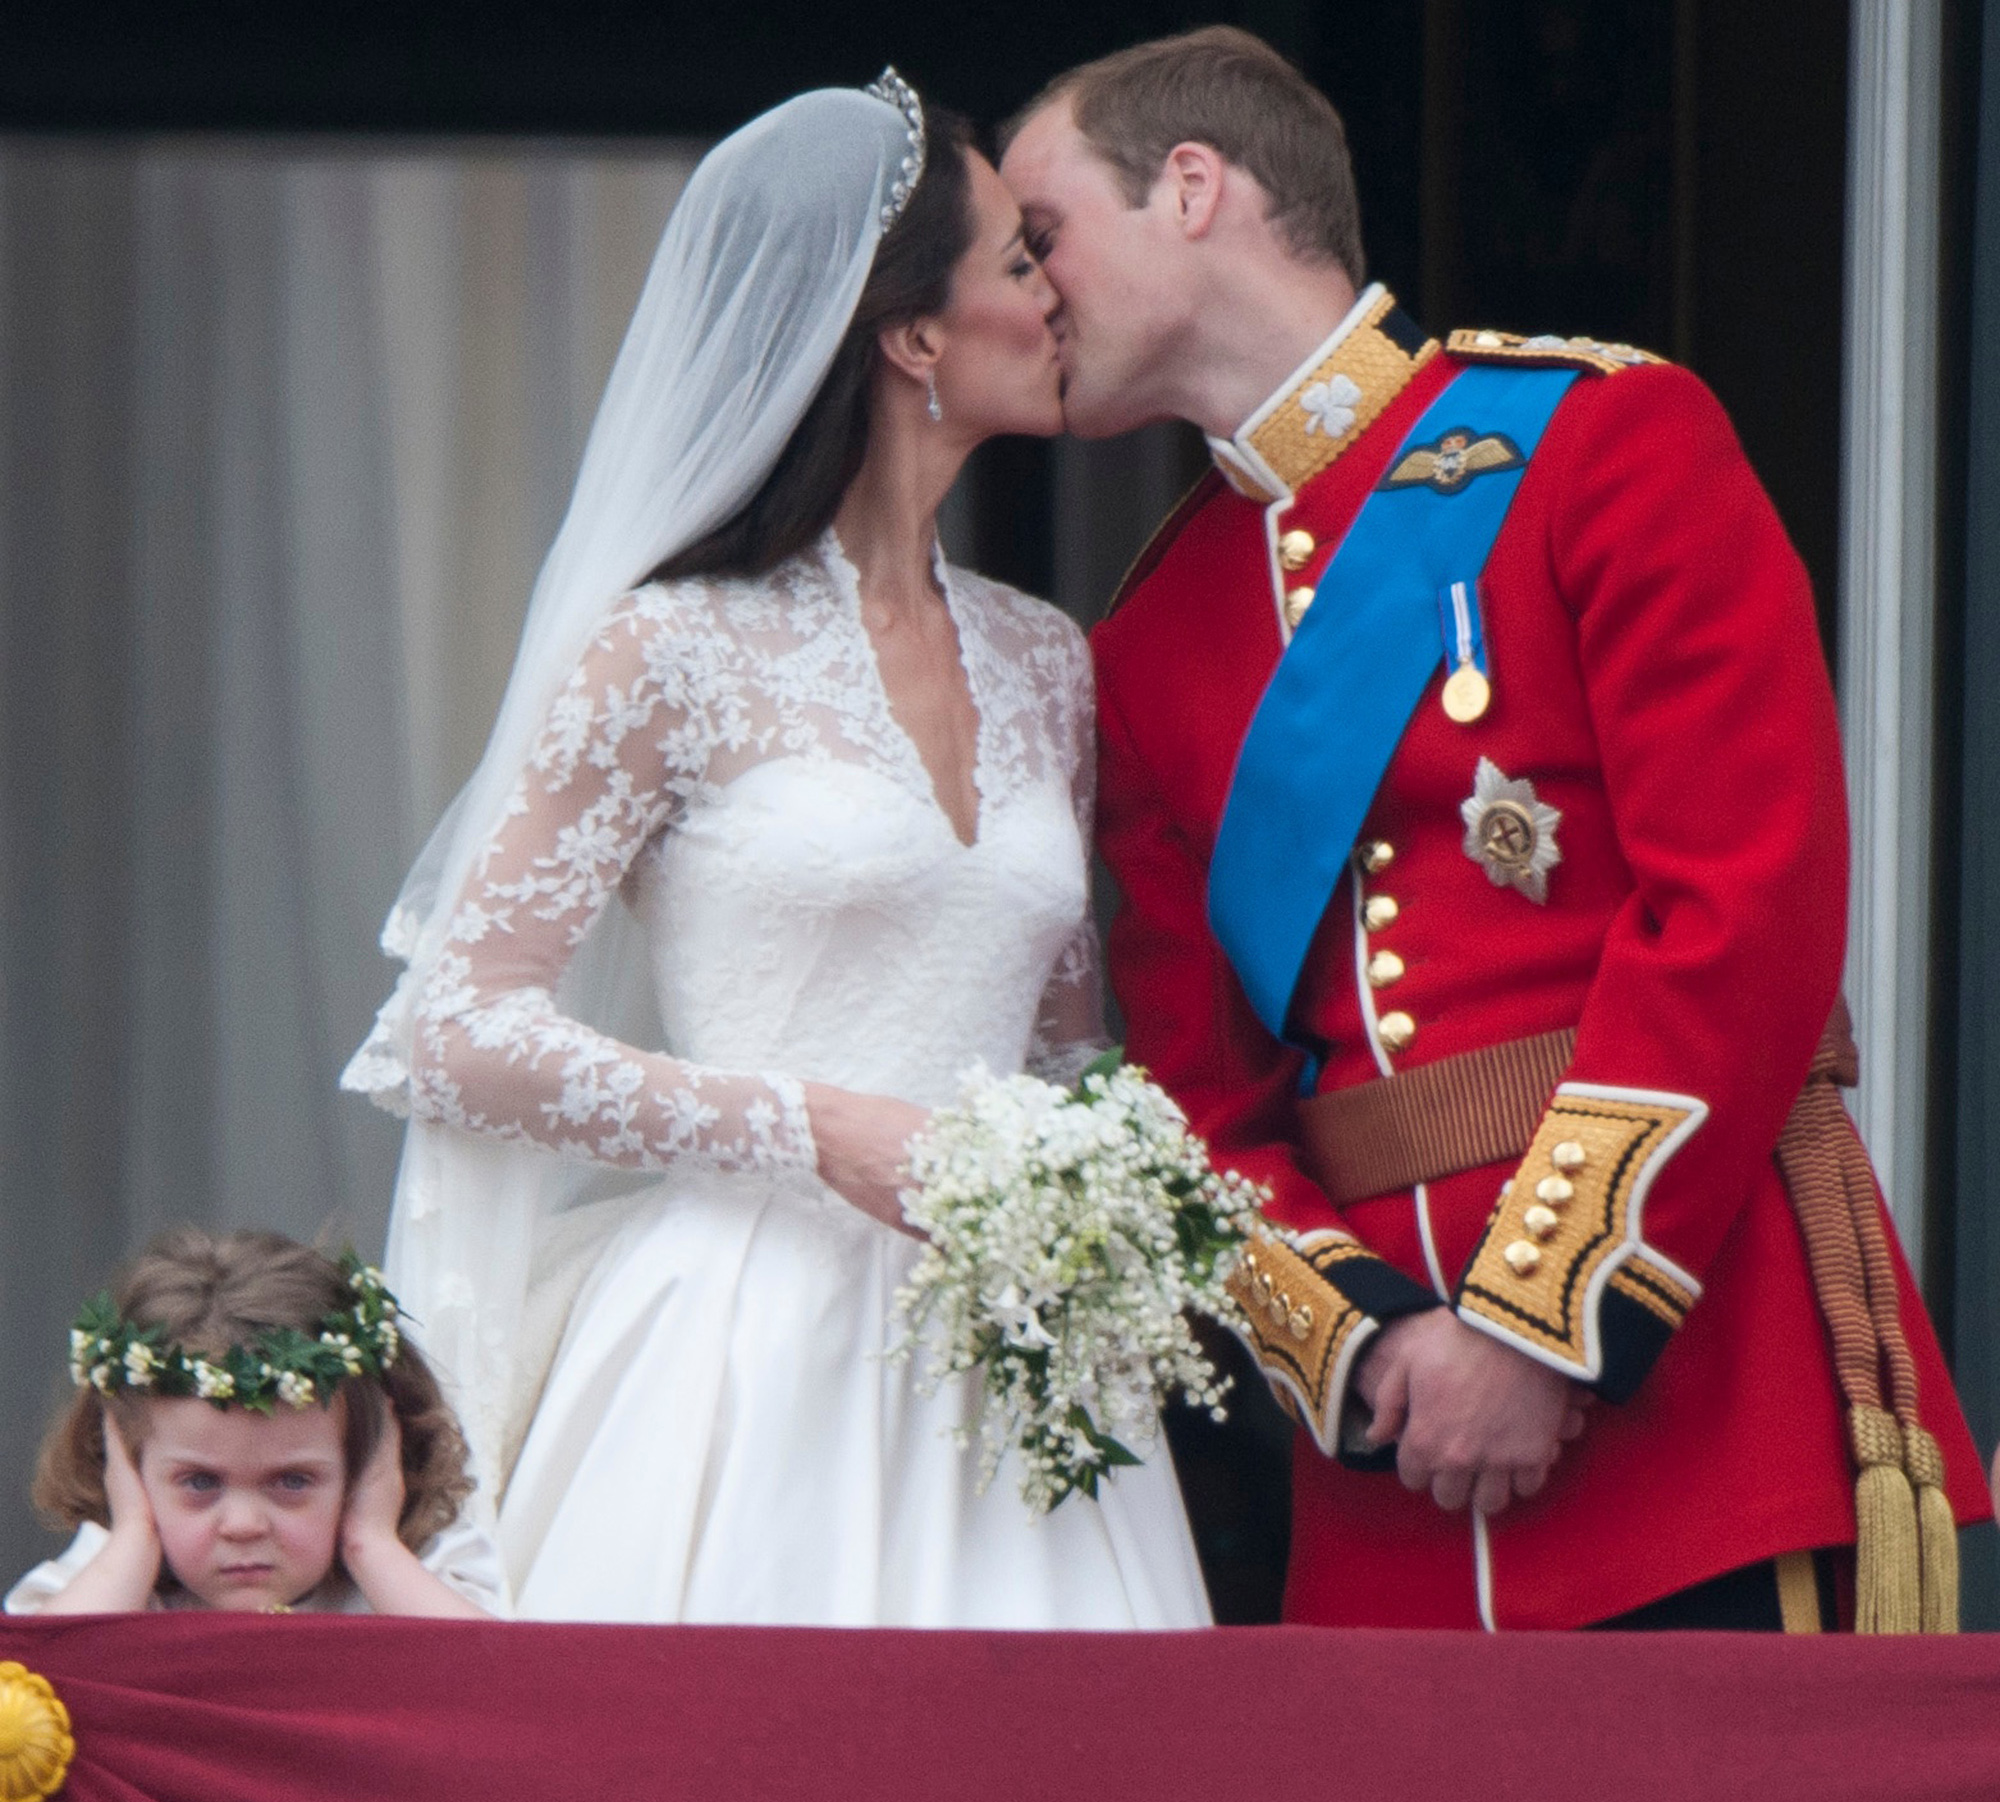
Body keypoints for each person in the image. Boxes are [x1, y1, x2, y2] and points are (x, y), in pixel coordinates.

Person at [1000, 25, 1990, 1630]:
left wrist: (1537, 1326)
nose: (1027, 292)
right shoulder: (1152, 634)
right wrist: (1376, 1343)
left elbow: (1746, 910)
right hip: (1392, 1483)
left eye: (1043, 236)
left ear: (1191, 188)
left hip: (1697, 1405)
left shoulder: (1605, 443)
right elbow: (1195, 1094)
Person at [340, 73, 1209, 1628]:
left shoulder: (1043, 657)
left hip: (1017, 1375)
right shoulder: (665, 651)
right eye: (1020, 261)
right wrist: (810, 1126)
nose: (1058, 295)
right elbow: (457, 1033)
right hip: (742, 1355)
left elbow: (1066, 1052)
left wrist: (1108, 1202)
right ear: (913, 336)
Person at [9, 1227, 501, 1617]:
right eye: (200, 1481)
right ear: (127, 1472)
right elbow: (25, 1690)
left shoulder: (419, 1574)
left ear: (368, 1465)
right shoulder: (109, 1579)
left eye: (292, 1480)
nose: (243, 1526)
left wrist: (370, 1544)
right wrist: (134, 1538)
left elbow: (507, 1688)